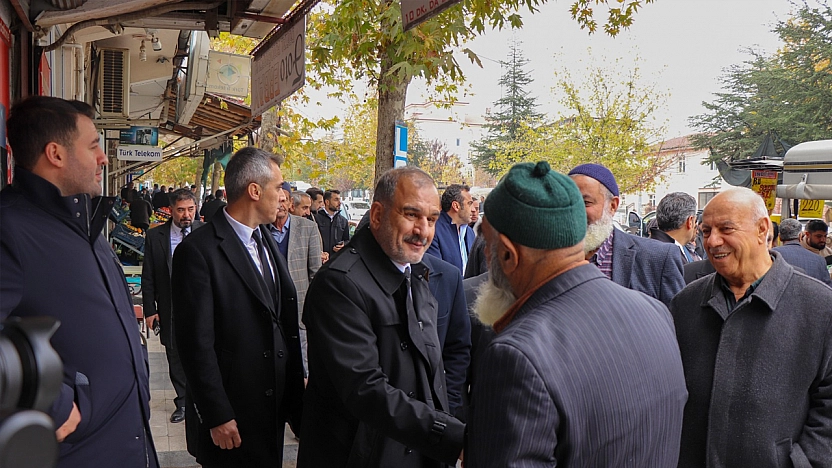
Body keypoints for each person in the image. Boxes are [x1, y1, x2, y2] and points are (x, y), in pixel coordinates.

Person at [467, 161, 687, 467]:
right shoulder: (654, 312)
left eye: (487, 244)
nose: (484, 256)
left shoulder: (516, 355)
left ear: (507, 253)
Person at [0, 96, 158, 467]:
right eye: (93, 146)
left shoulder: (83, 222)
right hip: (78, 451)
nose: (103, 158)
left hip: (127, 441)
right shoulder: (9, 229)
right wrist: (54, 406)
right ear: (55, 153)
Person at [298, 167, 465, 467]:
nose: (423, 230)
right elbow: (365, 389)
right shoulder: (339, 283)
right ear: (376, 215)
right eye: (412, 215)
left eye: (432, 219)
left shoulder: (415, 272)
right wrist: (449, 435)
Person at [671, 187, 832, 467]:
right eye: (705, 231)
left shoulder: (819, 306)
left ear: (762, 229)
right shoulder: (687, 302)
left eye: (726, 228)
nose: (713, 241)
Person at [171, 147, 304, 467]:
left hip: (271, 406)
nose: (284, 197)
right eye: (279, 188)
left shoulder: (265, 239)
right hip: (233, 413)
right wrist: (217, 414)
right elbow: (194, 343)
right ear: (254, 191)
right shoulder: (198, 252)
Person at [568, 163, 685, 306]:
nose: (574, 212)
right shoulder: (547, 258)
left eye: (585, 203)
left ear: (612, 206)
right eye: (568, 203)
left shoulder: (657, 258)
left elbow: (676, 321)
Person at [142, 188, 205, 424]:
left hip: (202, 306)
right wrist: (150, 309)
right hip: (171, 308)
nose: (186, 214)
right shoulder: (156, 236)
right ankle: (183, 402)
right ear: (171, 210)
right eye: (181, 210)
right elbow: (148, 275)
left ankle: (202, 400)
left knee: (202, 353)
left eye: (190, 209)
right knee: (175, 355)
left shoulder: (205, 232)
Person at [268, 185, 323, 376]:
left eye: (284, 201)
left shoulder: (308, 228)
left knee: (302, 366)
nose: (280, 205)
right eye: (276, 201)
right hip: (270, 309)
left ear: (291, 203)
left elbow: (316, 273)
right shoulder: (260, 231)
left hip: (299, 311)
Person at [426, 184, 475, 273]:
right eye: (469, 203)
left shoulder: (470, 232)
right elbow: (436, 273)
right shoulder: (434, 230)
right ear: (456, 206)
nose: (473, 209)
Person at [773, 218, 832, 285]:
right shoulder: (819, 260)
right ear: (802, 235)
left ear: (779, 237)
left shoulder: (771, 255)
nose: (823, 240)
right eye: (818, 236)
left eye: (825, 236)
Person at [649, 192, 700, 263]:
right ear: (690, 221)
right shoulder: (670, 257)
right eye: (695, 221)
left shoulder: (650, 248)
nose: (697, 231)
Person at [313, 188, 350, 255]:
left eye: (339, 199)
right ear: (327, 202)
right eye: (336, 200)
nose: (339, 202)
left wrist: (344, 245)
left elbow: (347, 240)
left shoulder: (343, 221)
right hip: (320, 259)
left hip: (336, 261)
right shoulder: (315, 218)